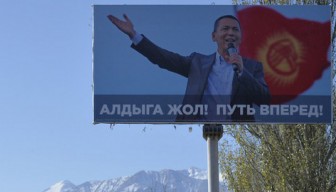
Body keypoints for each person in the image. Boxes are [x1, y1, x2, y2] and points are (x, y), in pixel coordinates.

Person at [107, 13, 271, 122]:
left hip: (233, 135)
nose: (230, 32)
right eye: (225, 28)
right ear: (214, 36)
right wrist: (134, 35)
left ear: (240, 37)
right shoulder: (197, 62)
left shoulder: (252, 67)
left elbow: (265, 100)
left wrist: (242, 71)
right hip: (194, 128)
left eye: (235, 29)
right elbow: (164, 59)